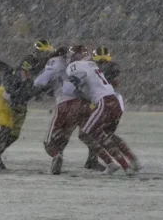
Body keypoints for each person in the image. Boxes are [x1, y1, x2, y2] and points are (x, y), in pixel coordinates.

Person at [34, 46, 119, 174]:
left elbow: (40, 82)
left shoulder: (57, 61)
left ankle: (57, 155)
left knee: (50, 141)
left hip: (65, 103)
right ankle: (104, 161)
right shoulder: (88, 63)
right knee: (89, 134)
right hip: (85, 104)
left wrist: (47, 89)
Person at [0, 40, 56, 170]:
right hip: (8, 95)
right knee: (3, 128)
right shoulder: (30, 61)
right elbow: (22, 79)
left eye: (48, 53)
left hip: (20, 99)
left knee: (14, 134)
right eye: (44, 53)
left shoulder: (47, 67)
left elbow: (42, 86)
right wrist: (15, 94)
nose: (47, 56)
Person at [67, 45, 141, 175]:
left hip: (104, 102)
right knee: (107, 133)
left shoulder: (75, 66)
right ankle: (133, 160)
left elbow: (74, 86)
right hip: (115, 101)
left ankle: (117, 164)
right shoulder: (92, 65)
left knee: (86, 133)